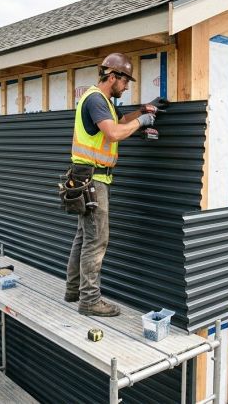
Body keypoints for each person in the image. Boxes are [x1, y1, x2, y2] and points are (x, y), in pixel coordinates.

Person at [64, 52, 163, 317]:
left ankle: (74, 290)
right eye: (126, 80)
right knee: (97, 241)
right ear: (112, 76)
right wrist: (142, 122)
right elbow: (115, 133)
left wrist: (142, 110)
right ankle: (90, 300)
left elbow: (119, 122)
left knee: (84, 237)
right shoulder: (96, 99)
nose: (127, 86)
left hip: (87, 177)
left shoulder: (103, 101)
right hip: (93, 180)